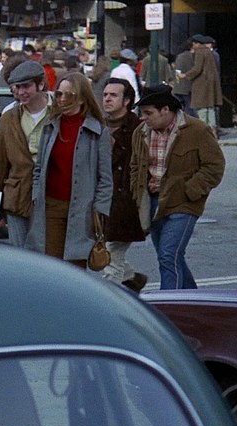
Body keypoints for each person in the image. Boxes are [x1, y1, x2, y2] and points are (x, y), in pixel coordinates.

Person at [131, 85, 225, 289]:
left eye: (148, 113)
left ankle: (169, 303)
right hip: (154, 202)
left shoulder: (196, 130)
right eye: (142, 113)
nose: (144, 118)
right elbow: (135, 167)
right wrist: (137, 196)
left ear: (165, 110)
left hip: (183, 203)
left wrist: (190, 190)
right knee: (170, 256)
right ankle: (193, 297)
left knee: (168, 255)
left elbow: (214, 166)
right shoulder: (141, 133)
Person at [25, 72, 112, 268]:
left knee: (75, 268)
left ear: (81, 98)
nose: (62, 99)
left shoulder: (98, 132)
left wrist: (99, 209)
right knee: (52, 266)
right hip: (51, 205)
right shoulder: (50, 127)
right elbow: (39, 167)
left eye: (69, 95)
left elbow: (105, 178)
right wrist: (36, 194)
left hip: (82, 209)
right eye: (59, 94)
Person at [0, 61, 54, 247]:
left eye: (26, 86)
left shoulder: (57, 113)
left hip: (50, 195)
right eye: (17, 87)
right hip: (16, 196)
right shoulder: (9, 117)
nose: (21, 92)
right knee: (20, 254)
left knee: (46, 254)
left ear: (41, 84)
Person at [100, 78, 148, 292]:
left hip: (125, 202)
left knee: (111, 256)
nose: (107, 99)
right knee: (105, 251)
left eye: (113, 95)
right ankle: (132, 278)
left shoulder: (139, 129)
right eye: (105, 94)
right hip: (101, 200)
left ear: (127, 100)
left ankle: (108, 301)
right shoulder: (97, 125)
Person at [179, 35, 222, 138]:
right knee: (210, 108)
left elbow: (197, 68)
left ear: (196, 43)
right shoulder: (209, 52)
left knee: (201, 108)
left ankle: (204, 132)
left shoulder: (199, 52)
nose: (192, 46)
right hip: (211, 84)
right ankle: (213, 130)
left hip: (201, 83)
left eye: (193, 44)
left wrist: (185, 75)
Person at [172, 41, 196, 117]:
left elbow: (177, 71)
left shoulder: (179, 56)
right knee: (190, 107)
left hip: (179, 86)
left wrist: (176, 82)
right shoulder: (193, 56)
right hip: (189, 86)